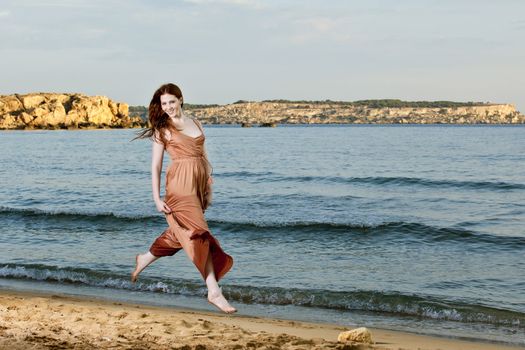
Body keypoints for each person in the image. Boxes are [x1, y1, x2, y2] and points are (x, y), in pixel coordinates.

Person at [131, 83, 236, 314]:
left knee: (183, 232)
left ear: (180, 100)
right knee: (200, 233)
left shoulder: (195, 122)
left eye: (171, 102)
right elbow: (156, 165)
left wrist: (209, 184)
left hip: (197, 184)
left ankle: (145, 258)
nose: (168, 107)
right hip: (179, 186)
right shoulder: (163, 129)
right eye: (164, 103)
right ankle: (214, 291)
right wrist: (156, 197)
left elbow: (203, 155)